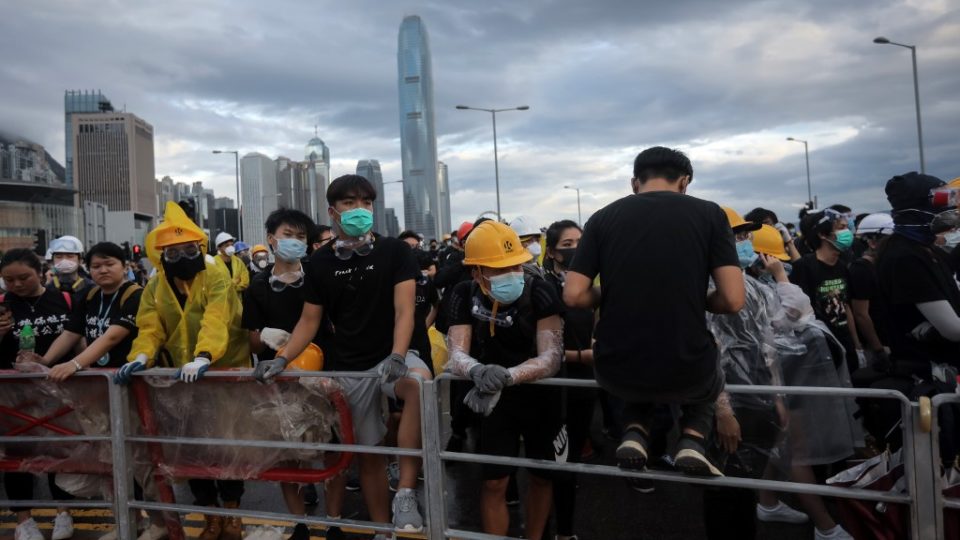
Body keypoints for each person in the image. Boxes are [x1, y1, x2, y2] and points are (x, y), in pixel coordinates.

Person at [253, 174, 431, 535]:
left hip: (394, 354)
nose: (360, 210)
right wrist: (283, 358)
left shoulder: (395, 251)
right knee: (368, 457)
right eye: (350, 203)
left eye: (366, 202)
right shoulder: (319, 264)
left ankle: (407, 492)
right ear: (333, 211)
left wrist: (397, 356)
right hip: (351, 365)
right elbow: (309, 319)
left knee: (418, 385)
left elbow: (405, 311)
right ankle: (383, 530)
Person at [564, 146, 744, 477]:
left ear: (635, 183)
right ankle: (692, 438)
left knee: (637, 373)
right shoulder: (709, 214)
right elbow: (733, 300)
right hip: (685, 359)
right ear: (684, 182)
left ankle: (634, 431)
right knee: (708, 370)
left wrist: (613, 293)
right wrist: (692, 297)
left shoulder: (601, 218)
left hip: (616, 362)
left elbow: (574, 295)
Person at [114, 201, 251, 540]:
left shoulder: (215, 275)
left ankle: (233, 513)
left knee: (227, 445)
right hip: (180, 379)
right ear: (160, 255)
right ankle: (209, 516)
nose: (181, 257)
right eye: (171, 253)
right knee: (193, 449)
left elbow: (216, 317)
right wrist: (141, 356)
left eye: (188, 249)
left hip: (223, 373)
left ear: (199, 247)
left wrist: (205, 355)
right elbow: (149, 327)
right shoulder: (155, 287)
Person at [444, 220, 564, 539]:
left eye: (515, 266)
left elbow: (551, 356)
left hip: (541, 399)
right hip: (492, 400)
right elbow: (456, 352)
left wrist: (508, 376)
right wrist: (476, 371)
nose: (510, 274)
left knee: (542, 476)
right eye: (498, 269)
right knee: (494, 481)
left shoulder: (541, 289)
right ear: (477, 272)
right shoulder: (463, 293)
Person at [747, 224, 857, 540]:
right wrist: (781, 277)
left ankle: (767, 501)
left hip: (784, 372)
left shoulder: (758, 284)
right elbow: (797, 311)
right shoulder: (758, 286)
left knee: (784, 444)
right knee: (798, 451)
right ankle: (825, 526)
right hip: (778, 377)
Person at [703, 209, 789, 540]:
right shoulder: (705, 289)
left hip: (758, 399)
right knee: (723, 486)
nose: (744, 242)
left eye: (744, 236)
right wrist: (723, 411)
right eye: (736, 236)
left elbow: (769, 345)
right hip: (724, 402)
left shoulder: (753, 286)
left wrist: (777, 398)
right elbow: (709, 354)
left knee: (745, 485)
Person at [241, 208, 320, 540]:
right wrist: (269, 337)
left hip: (321, 373)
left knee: (326, 446)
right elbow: (252, 341)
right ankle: (300, 521)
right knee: (288, 451)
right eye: (288, 235)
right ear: (271, 239)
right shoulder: (258, 286)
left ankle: (333, 519)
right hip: (279, 379)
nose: (295, 242)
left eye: (302, 237)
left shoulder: (318, 276)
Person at [877, 173, 960, 462]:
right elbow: (952, 329)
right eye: (941, 200)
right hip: (929, 382)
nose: (949, 209)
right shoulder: (905, 258)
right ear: (916, 208)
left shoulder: (926, 251)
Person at [0, 249, 76, 540]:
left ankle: (63, 512)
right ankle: (23, 520)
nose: (17, 285)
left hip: (61, 391)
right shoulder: (2, 305)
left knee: (63, 453)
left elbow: (77, 339)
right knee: (17, 457)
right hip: (14, 396)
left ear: (41, 271)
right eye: (9, 280)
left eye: (24, 278)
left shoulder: (65, 299)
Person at [543, 219, 596, 540]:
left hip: (585, 386)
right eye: (567, 244)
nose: (576, 249)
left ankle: (565, 530)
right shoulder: (544, 288)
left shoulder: (594, 289)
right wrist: (581, 356)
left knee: (572, 459)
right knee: (553, 464)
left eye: (580, 242)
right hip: (553, 386)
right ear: (552, 252)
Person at [27, 243, 143, 380]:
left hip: (129, 375)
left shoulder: (136, 295)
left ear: (124, 267)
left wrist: (74, 364)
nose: (103, 270)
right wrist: (45, 361)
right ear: (88, 270)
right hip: (100, 377)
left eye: (110, 264)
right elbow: (70, 334)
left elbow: (112, 337)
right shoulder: (91, 295)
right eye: (96, 266)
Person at [793, 209, 863, 376]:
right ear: (823, 234)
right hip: (822, 345)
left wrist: (857, 344)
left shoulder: (843, 265)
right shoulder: (805, 266)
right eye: (841, 228)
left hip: (845, 342)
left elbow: (845, 305)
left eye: (847, 228)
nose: (847, 232)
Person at [850, 213, 895, 367]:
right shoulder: (861, 269)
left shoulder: (885, 264)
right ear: (873, 242)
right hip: (879, 343)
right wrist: (878, 349)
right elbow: (861, 314)